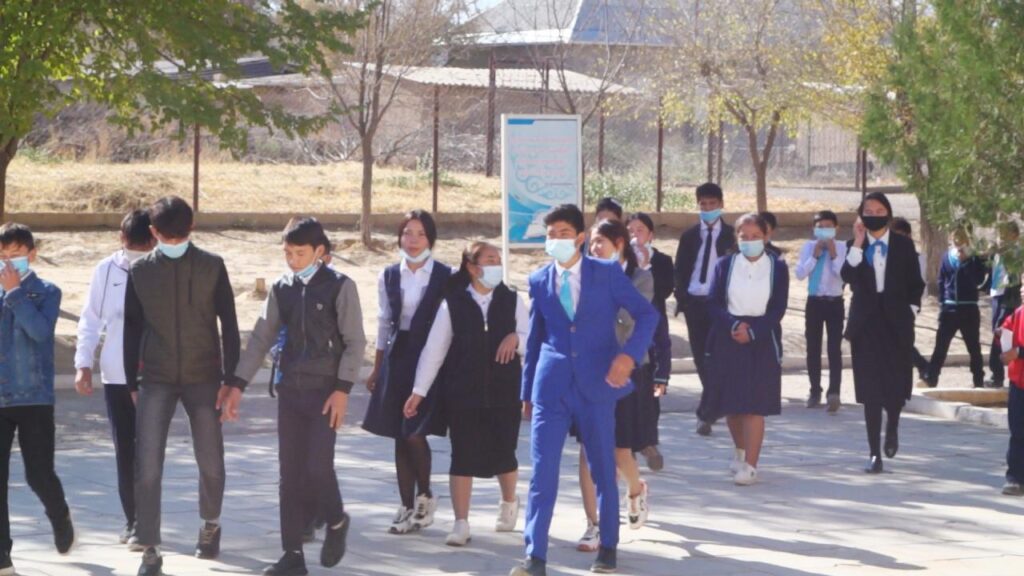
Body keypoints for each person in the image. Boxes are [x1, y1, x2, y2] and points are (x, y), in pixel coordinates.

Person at [510, 204, 657, 576]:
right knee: (543, 473)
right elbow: (537, 337)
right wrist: (527, 392)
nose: (556, 240)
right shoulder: (539, 279)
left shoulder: (605, 273)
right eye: (550, 234)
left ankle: (607, 548)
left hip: (597, 384)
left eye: (563, 233)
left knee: (602, 468)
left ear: (579, 237)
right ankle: (535, 557)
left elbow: (647, 315)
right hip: (551, 387)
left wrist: (628, 356)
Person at [229, 218, 364, 575]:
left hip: (325, 393)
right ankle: (293, 555)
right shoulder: (281, 288)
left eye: (299, 253)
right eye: (287, 253)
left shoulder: (341, 286)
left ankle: (336, 521)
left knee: (318, 468)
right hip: (290, 391)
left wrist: (342, 390)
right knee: (289, 475)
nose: (292, 260)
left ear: (319, 252)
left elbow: (355, 342)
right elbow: (261, 337)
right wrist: (238, 384)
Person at [123, 196, 241, 576]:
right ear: (153, 233)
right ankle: (150, 549)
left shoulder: (212, 266)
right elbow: (131, 329)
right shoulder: (140, 272)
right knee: (147, 465)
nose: (172, 242)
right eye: (165, 236)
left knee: (210, 460)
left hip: (204, 376)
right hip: (155, 378)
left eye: (179, 235)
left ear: (192, 228)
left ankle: (210, 524)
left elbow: (230, 324)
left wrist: (231, 380)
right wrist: (131, 381)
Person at [402, 241, 528, 547]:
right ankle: (461, 522)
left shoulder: (512, 299)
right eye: (489, 260)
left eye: (498, 260)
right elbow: (434, 350)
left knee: (505, 454)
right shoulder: (453, 303)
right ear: (472, 267)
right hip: (463, 393)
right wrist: (419, 391)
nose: (496, 265)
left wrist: (516, 338)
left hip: (504, 392)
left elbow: (531, 338)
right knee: (462, 456)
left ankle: (509, 501)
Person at [363, 210, 451, 534]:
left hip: (429, 356)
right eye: (407, 233)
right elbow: (384, 322)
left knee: (415, 431)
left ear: (431, 239)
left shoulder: (446, 275)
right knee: (398, 433)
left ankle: (425, 495)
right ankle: (406, 505)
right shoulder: (389, 274)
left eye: (420, 234)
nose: (412, 240)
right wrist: (377, 367)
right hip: (397, 356)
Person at [74, 210, 155, 548]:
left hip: (154, 377)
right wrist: (83, 363)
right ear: (121, 239)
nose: (135, 251)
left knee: (149, 452)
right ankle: (133, 520)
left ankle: (148, 521)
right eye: (130, 244)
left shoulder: (162, 269)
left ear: (154, 239)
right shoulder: (105, 270)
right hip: (116, 376)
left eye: (143, 246)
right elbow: (90, 319)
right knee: (125, 450)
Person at [574, 219, 654, 553]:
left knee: (620, 450)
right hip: (590, 371)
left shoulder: (640, 278)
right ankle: (593, 524)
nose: (594, 248)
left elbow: (631, 321)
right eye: (591, 242)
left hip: (626, 370)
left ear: (619, 244)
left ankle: (635, 489)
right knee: (587, 450)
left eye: (601, 242)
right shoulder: (582, 276)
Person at [0, 223, 75, 576]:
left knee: (38, 474)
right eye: (2, 255)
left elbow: (40, 332)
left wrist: (14, 293)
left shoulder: (47, 292)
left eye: (15, 254)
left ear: (31, 254)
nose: (8, 262)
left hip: (34, 397)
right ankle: (3, 559)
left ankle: (60, 515)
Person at [841, 192, 924, 474]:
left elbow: (915, 283)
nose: (874, 215)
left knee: (896, 386)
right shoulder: (854, 246)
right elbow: (847, 276)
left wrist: (911, 310)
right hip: (865, 325)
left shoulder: (903, 245)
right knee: (871, 391)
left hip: (896, 324)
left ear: (888, 213)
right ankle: (874, 452)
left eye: (879, 210)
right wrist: (858, 243)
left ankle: (893, 427)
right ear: (861, 215)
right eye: (868, 211)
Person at [703, 214, 789, 486]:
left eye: (755, 236)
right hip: (729, 336)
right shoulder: (725, 265)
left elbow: (778, 308)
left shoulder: (778, 267)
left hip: (762, 338)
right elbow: (713, 302)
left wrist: (753, 331)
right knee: (733, 404)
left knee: (755, 406)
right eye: (744, 237)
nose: (749, 241)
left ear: (766, 236)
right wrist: (733, 324)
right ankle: (739, 451)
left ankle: (751, 466)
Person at [674, 183, 736, 436]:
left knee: (717, 356)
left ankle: (706, 411)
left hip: (720, 304)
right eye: (703, 204)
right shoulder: (689, 236)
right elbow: (680, 269)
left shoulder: (731, 235)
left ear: (721, 204)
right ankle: (712, 404)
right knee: (701, 356)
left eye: (712, 204)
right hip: (695, 302)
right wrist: (683, 297)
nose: (708, 208)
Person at [626, 212, 674, 471]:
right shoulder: (621, 262)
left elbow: (663, 291)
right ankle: (628, 447)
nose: (635, 235)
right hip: (626, 330)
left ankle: (649, 442)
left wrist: (645, 269)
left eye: (640, 230)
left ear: (651, 235)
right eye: (630, 230)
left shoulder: (662, 261)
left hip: (654, 329)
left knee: (650, 392)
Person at [794, 210, 847, 411]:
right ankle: (815, 390)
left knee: (834, 347)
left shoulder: (842, 247)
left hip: (835, 302)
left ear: (836, 228)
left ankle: (834, 392)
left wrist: (833, 254)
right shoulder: (808, 247)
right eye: (820, 227)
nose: (824, 231)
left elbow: (843, 275)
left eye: (828, 227)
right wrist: (814, 257)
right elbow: (800, 274)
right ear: (814, 229)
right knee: (813, 347)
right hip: (814, 302)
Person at [924, 229, 989, 388]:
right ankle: (931, 377)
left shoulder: (974, 258)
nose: (958, 241)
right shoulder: (947, 256)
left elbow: (979, 280)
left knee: (973, 347)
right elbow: (942, 279)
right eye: (955, 238)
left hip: (969, 308)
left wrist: (966, 261)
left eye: (962, 238)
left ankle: (978, 379)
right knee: (941, 345)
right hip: (950, 308)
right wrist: (942, 302)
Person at [890, 218, 931, 381]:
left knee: (904, 342)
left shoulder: (916, 257)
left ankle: (921, 367)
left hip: (907, 306)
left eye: (901, 235)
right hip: (890, 305)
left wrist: (912, 308)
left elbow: (919, 285)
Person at [998, 275, 1024, 496]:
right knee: (1017, 430)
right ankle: (1014, 477)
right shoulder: (1018, 314)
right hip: (1018, 381)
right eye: (1023, 285)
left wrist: (1019, 352)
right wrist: (1001, 335)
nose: (1023, 290)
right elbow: (1006, 330)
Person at [987, 222, 1022, 388]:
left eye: (1005, 234)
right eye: (1000, 234)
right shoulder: (998, 253)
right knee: (997, 332)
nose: (1001, 238)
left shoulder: (1016, 253)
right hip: (997, 295)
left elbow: (1015, 278)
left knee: (1001, 333)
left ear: (1014, 235)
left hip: (1009, 299)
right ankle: (997, 373)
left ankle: (997, 375)